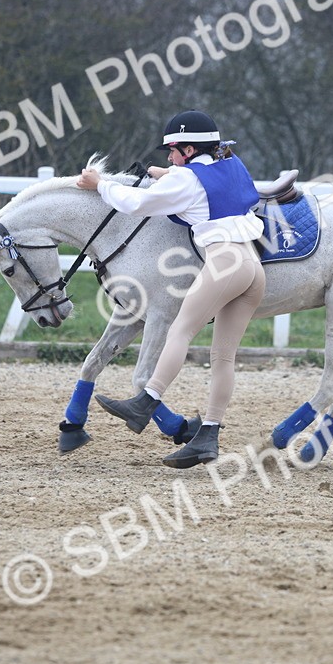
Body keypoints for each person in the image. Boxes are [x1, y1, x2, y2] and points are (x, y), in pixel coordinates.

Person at [77, 109, 266, 467]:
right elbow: (206, 183)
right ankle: (207, 437)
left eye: (175, 149)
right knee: (223, 358)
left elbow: (136, 204)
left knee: (179, 330)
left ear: (191, 151)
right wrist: (165, 173)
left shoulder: (186, 180)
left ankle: (145, 402)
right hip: (253, 271)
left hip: (224, 264)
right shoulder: (232, 164)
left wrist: (99, 184)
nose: (170, 156)